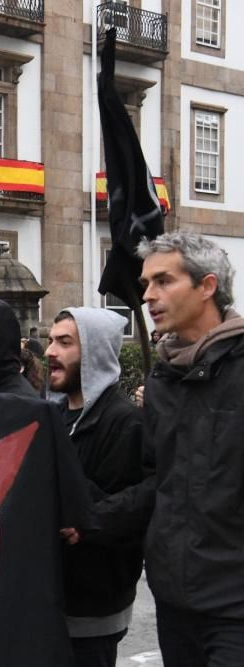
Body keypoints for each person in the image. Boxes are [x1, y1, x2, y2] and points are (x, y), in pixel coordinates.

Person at [75, 232, 244, 665]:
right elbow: (157, 484)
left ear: (207, 287)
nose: (148, 295)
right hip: (175, 603)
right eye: (147, 283)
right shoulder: (164, 382)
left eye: (163, 281)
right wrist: (89, 519)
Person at [47, 308, 144, 667]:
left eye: (64, 342)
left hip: (93, 609)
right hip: (54, 600)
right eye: (51, 341)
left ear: (95, 353)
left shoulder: (124, 422)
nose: (50, 352)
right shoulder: (54, 414)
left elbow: (129, 511)